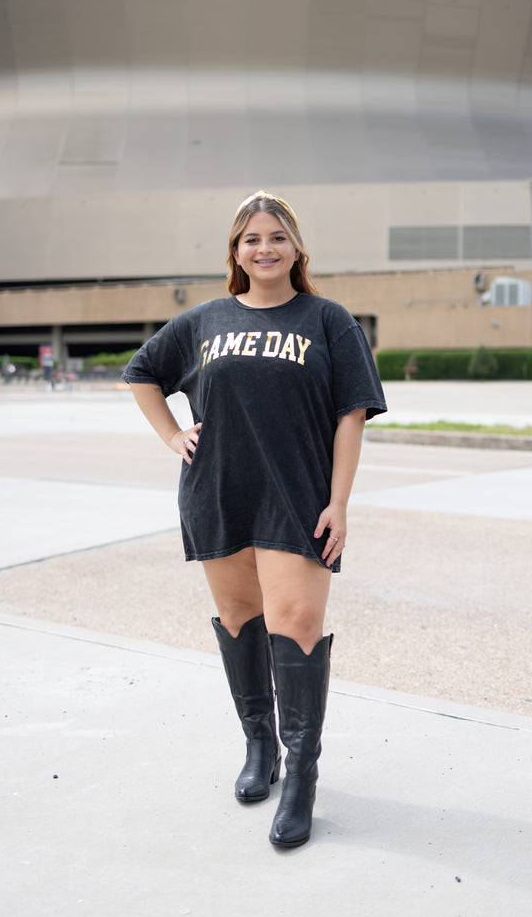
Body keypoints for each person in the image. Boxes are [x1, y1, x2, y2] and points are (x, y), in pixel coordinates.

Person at [124, 190, 387, 848]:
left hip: (298, 496)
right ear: (235, 252)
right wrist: (172, 436)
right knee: (241, 621)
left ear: (296, 248)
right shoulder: (204, 320)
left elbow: (350, 413)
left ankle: (301, 779)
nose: (264, 248)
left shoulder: (328, 320)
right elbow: (142, 372)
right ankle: (259, 747)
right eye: (251, 238)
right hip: (219, 491)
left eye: (276, 236)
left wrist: (339, 501)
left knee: (295, 624)